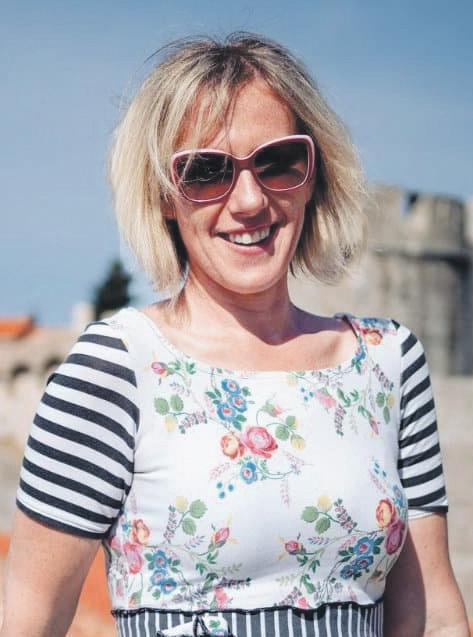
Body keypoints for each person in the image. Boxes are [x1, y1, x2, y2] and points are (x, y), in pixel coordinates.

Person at [1, 33, 469, 637]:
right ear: (163, 196)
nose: (249, 200)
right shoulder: (115, 369)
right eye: (205, 171)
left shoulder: (389, 363)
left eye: (277, 162)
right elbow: (27, 617)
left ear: (313, 174)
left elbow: (433, 617)